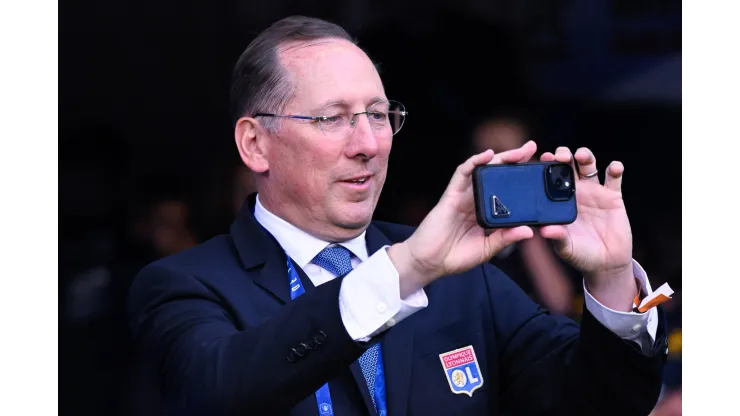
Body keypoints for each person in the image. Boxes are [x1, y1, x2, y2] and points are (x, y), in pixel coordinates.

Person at [127, 16, 668, 415]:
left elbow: (599, 404)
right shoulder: (184, 285)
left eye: (380, 115)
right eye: (332, 118)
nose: (368, 143)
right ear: (255, 144)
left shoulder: (466, 280)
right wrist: (404, 270)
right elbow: (219, 392)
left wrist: (611, 275)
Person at [471, 115, 578, 315]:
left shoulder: (556, 227)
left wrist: (525, 222)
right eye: (485, 157)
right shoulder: (463, 228)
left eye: (507, 157)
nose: (495, 166)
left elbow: (560, 302)